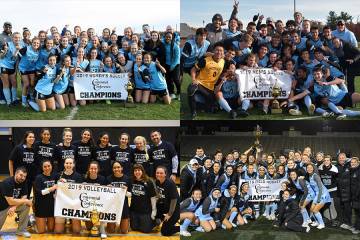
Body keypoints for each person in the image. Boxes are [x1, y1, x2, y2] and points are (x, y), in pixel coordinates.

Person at [188, 43, 225, 119]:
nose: (219, 52)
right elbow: (193, 69)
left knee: (210, 109)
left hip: (210, 88)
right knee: (191, 89)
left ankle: (200, 104)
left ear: (223, 53)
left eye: (221, 51)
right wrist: (194, 79)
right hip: (200, 84)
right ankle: (193, 112)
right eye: (217, 50)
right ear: (213, 51)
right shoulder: (205, 61)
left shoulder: (223, 61)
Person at [0, 167, 33, 237]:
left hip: (12, 204)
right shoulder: (7, 183)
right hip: (2, 206)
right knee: (26, 202)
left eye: (24, 176)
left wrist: (14, 207)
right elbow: (10, 201)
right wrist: (26, 200)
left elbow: (24, 196)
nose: (23, 178)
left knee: (26, 206)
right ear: (16, 173)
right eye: (21, 175)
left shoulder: (24, 182)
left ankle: (21, 230)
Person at [54, 158, 83, 234]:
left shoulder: (78, 176)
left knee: (77, 231)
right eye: (67, 163)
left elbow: (80, 192)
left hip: (74, 204)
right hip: (61, 204)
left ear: (73, 165)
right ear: (64, 164)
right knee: (58, 231)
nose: (68, 165)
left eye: (70, 163)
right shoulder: (58, 175)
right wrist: (58, 183)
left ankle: (71, 221)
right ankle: (64, 222)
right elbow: (54, 190)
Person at [129, 164, 157, 233]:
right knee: (134, 228)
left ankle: (156, 222)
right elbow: (130, 194)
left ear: (142, 171)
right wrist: (122, 191)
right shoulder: (131, 180)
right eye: (135, 170)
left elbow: (153, 197)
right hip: (134, 210)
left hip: (145, 211)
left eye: (139, 170)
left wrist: (154, 210)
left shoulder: (149, 181)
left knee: (146, 230)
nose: (137, 172)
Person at [84, 161, 108, 238]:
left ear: (98, 169)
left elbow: (106, 193)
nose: (93, 170)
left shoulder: (103, 179)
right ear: (88, 169)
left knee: (104, 207)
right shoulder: (84, 178)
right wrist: (81, 186)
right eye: (91, 168)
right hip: (88, 204)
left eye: (95, 168)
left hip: (99, 203)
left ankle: (102, 228)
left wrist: (109, 187)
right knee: (88, 228)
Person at [8, 131, 36, 197]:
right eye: (30, 137)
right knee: (17, 196)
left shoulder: (34, 149)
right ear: (26, 138)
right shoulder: (18, 148)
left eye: (33, 137)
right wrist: (12, 175)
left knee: (27, 196)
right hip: (20, 177)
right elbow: (10, 161)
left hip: (30, 178)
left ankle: (25, 207)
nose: (32, 138)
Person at [106, 161, 131, 234]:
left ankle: (127, 222)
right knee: (110, 231)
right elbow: (105, 196)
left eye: (118, 167)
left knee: (124, 231)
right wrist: (107, 190)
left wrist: (126, 192)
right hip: (112, 206)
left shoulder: (127, 179)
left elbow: (131, 195)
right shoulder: (108, 179)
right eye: (114, 168)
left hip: (123, 206)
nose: (116, 169)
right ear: (112, 169)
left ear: (122, 168)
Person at [154, 166, 180, 236]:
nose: (159, 175)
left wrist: (169, 214)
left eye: (161, 173)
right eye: (157, 173)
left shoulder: (170, 183)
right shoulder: (157, 181)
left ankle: (180, 228)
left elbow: (174, 200)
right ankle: (160, 220)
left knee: (165, 231)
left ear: (165, 174)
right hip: (165, 206)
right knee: (152, 217)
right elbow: (159, 195)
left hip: (174, 210)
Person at [33, 159, 57, 233]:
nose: (47, 168)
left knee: (51, 229)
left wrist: (63, 181)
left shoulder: (55, 176)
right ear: (42, 168)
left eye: (49, 166)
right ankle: (32, 221)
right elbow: (40, 192)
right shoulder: (38, 178)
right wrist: (51, 189)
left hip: (51, 206)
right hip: (41, 206)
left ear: (51, 166)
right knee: (41, 231)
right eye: (45, 167)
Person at [0, 32, 23, 106]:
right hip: (4, 65)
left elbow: (16, 58)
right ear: (12, 38)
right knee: (6, 84)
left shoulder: (21, 46)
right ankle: (9, 102)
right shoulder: (7, 44)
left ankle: (14, 100)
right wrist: (6, 50)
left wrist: (16, 69)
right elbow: (1, 56)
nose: (17, 39)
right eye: (15, 37)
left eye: (19, 37)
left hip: (12, 67)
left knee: (14, 83)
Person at [306, 163, 331, 229]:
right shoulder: (309, 176)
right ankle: (317, 222)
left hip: (323, 194)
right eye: (308, 168)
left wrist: (319, 198)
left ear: (313, 168)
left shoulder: (315, 176)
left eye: (310, 167)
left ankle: (322, 224)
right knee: (311, 209)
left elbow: (320, 188)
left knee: (315, 210)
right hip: (317, 194)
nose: (309, 169)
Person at [18, 37, 41, 107]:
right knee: (26, 84)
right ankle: (24, 101)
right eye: (34, 42)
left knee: (32, 83)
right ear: (32, 43)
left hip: (31, 69)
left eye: (37, 43)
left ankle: (31, 98)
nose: (36, 44)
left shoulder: (38, 51)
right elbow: (18, 55)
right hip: (23, 69)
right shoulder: (26, 48)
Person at [163, 32, 180, 99]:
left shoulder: (175, 46)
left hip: (175, 65)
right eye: (166, 37)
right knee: (168, 80)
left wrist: (172, 66)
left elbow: (177, 58)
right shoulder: (163, 44)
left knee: (176, 79)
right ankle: (172, 93)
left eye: (169, 37)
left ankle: (179, 93)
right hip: (166, 65)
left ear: (172, 38)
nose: (168, 38)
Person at [349, 157, 360, 234]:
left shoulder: (358, 171)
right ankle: (356, 226)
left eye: (354, 162)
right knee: (355, 212)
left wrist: (356, 195)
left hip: (358, 196)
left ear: (358, 163)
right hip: (354, 196)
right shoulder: (352, 171)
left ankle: (358, 228)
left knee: (358, 213)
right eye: (351, 162)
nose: (352, 163)